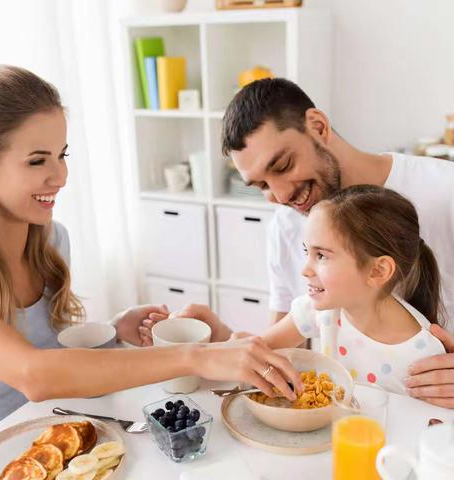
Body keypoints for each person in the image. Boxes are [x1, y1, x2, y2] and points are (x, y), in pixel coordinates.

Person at [0, 65, 302, 438]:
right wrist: (199, 356)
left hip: (56, 434)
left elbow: (53, 356)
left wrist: (112, 333)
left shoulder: (51, 242)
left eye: (62, 155)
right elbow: (34, 374)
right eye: (37, 160)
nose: (60, 176)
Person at [141, 78, 454, 407]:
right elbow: (285, 353)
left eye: (282, 165)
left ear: (318, 127)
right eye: (261, 184)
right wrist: (221, 339)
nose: (280, 195)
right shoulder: (287, 224)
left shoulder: (443, 192)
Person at [142, 185, 447, 395]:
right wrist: (214, 337)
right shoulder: (319, 311)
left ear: (378, 270)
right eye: (307, 252)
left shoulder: (424, 356)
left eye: (322, 256)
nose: (305, 269)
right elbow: (257, 351)